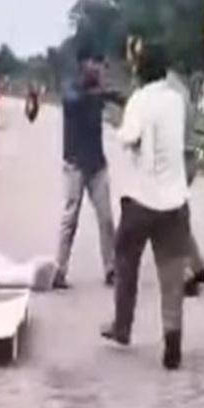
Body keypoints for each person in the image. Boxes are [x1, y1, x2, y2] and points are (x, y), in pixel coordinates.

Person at [100, 42, 190, 370]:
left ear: (139, 68)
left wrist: (120, 124)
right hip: (175, 200)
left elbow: (129, 136)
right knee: (171, 276)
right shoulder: (176, 100)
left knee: (126, 264)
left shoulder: (139, 100)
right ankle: (173, 343)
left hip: (141, 199)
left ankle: (122, 327)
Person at [52, 43, 120, 289]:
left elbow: (116, 97)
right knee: (70, 218)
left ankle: (111, 268)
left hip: (97, 164)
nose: (100, 68)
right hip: (75, 164)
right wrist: (100, 93)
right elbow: (72, 101)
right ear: (83, 64)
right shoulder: (72, 87)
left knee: (106, 219)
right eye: (96, 63)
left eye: (101, 63)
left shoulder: (99, 89)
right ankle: (59, 269)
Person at [168, 68, 204, 296]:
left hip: (177, 161)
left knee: (170, 219)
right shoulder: (179, 87)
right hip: (190, 158)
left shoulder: (164, 92)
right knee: (178, 214)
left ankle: (186, 275)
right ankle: (198, 265)